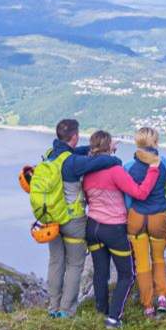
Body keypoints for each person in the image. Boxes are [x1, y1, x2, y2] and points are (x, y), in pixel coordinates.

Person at [39, 118, 121, 317]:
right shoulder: (73, 163)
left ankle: (53, 307)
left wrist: (94, 148)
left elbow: (81, 151)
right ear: (74, 137)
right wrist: (113, 156)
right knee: (75, 265)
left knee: (56, 262)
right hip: (72, 221)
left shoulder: (52, 155)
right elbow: (101, 161)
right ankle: (66, 310)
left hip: (51, 218)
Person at [81, 130, 160, 327]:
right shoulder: (115, 171)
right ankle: (113, 317)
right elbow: (140, 193)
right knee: (126, 274)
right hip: (113, 228)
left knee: (101, 272)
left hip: (92, 227)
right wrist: (153, 169)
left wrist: (108, 150)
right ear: (109, 147)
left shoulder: (87, 170)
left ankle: (101, 310)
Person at [124, 126, 166, 316]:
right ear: (156, 142)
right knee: (158, 258)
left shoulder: (129, 167)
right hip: (158, 216)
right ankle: (162, 297)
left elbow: (128, 198)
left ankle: (148, 305)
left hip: (136, 217)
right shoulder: (164, 164)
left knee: (142, 262)